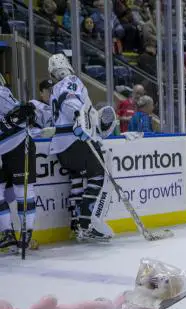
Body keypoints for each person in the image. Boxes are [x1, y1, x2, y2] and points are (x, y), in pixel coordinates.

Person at [48, 53, 113, 242]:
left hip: (61, 148)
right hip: (76, 140)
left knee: (77, 181)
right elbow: (71, 103)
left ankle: (77, 224)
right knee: (98, 177)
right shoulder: (71, 80)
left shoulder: (54, 88)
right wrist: (82, 121)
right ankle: (88, 226)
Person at [0, 75, 37, 252]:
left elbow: (21, 113)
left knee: (22, 191)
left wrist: (25, 112)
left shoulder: (0, 92)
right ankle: (7, 233)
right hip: (3, 151)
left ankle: (26, 232)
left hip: (18, 145)